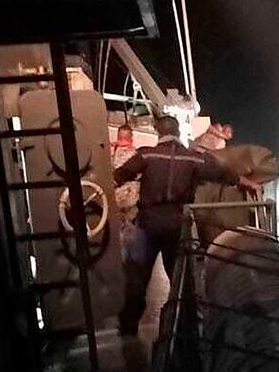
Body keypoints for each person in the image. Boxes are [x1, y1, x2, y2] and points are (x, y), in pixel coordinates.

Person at [113, 115, 261, 335]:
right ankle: (189, 324)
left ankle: (128, 327)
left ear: (159, 132)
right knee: (181, 277)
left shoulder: (146, 154)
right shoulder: (193, 158)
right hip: (176, 224)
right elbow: (221, 173)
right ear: (178, 133)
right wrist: (247, 182)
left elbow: (120, 175)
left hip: (147, 224)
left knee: (137, 277)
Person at [110, 124, 139, 256]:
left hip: (115, 197)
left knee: (117, 229)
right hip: (131, 199)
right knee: (130, 229)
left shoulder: (110, 151)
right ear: (131, 137)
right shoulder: (135, 154)